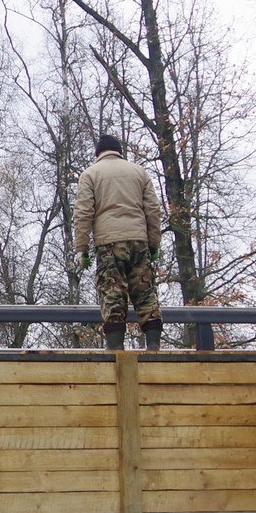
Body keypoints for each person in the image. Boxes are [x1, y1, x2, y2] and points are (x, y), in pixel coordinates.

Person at [73, 132, 164, 351]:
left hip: (108, 244)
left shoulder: (90, 174)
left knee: (112, 294)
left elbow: (83, 213)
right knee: (145, 292)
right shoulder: (139, 172)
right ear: (119, 151)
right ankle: (153, 347)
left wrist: (81, 248)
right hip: (138, 241)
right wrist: (154, 243)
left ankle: (115, 350)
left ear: (98, 154)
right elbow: (153, 209)